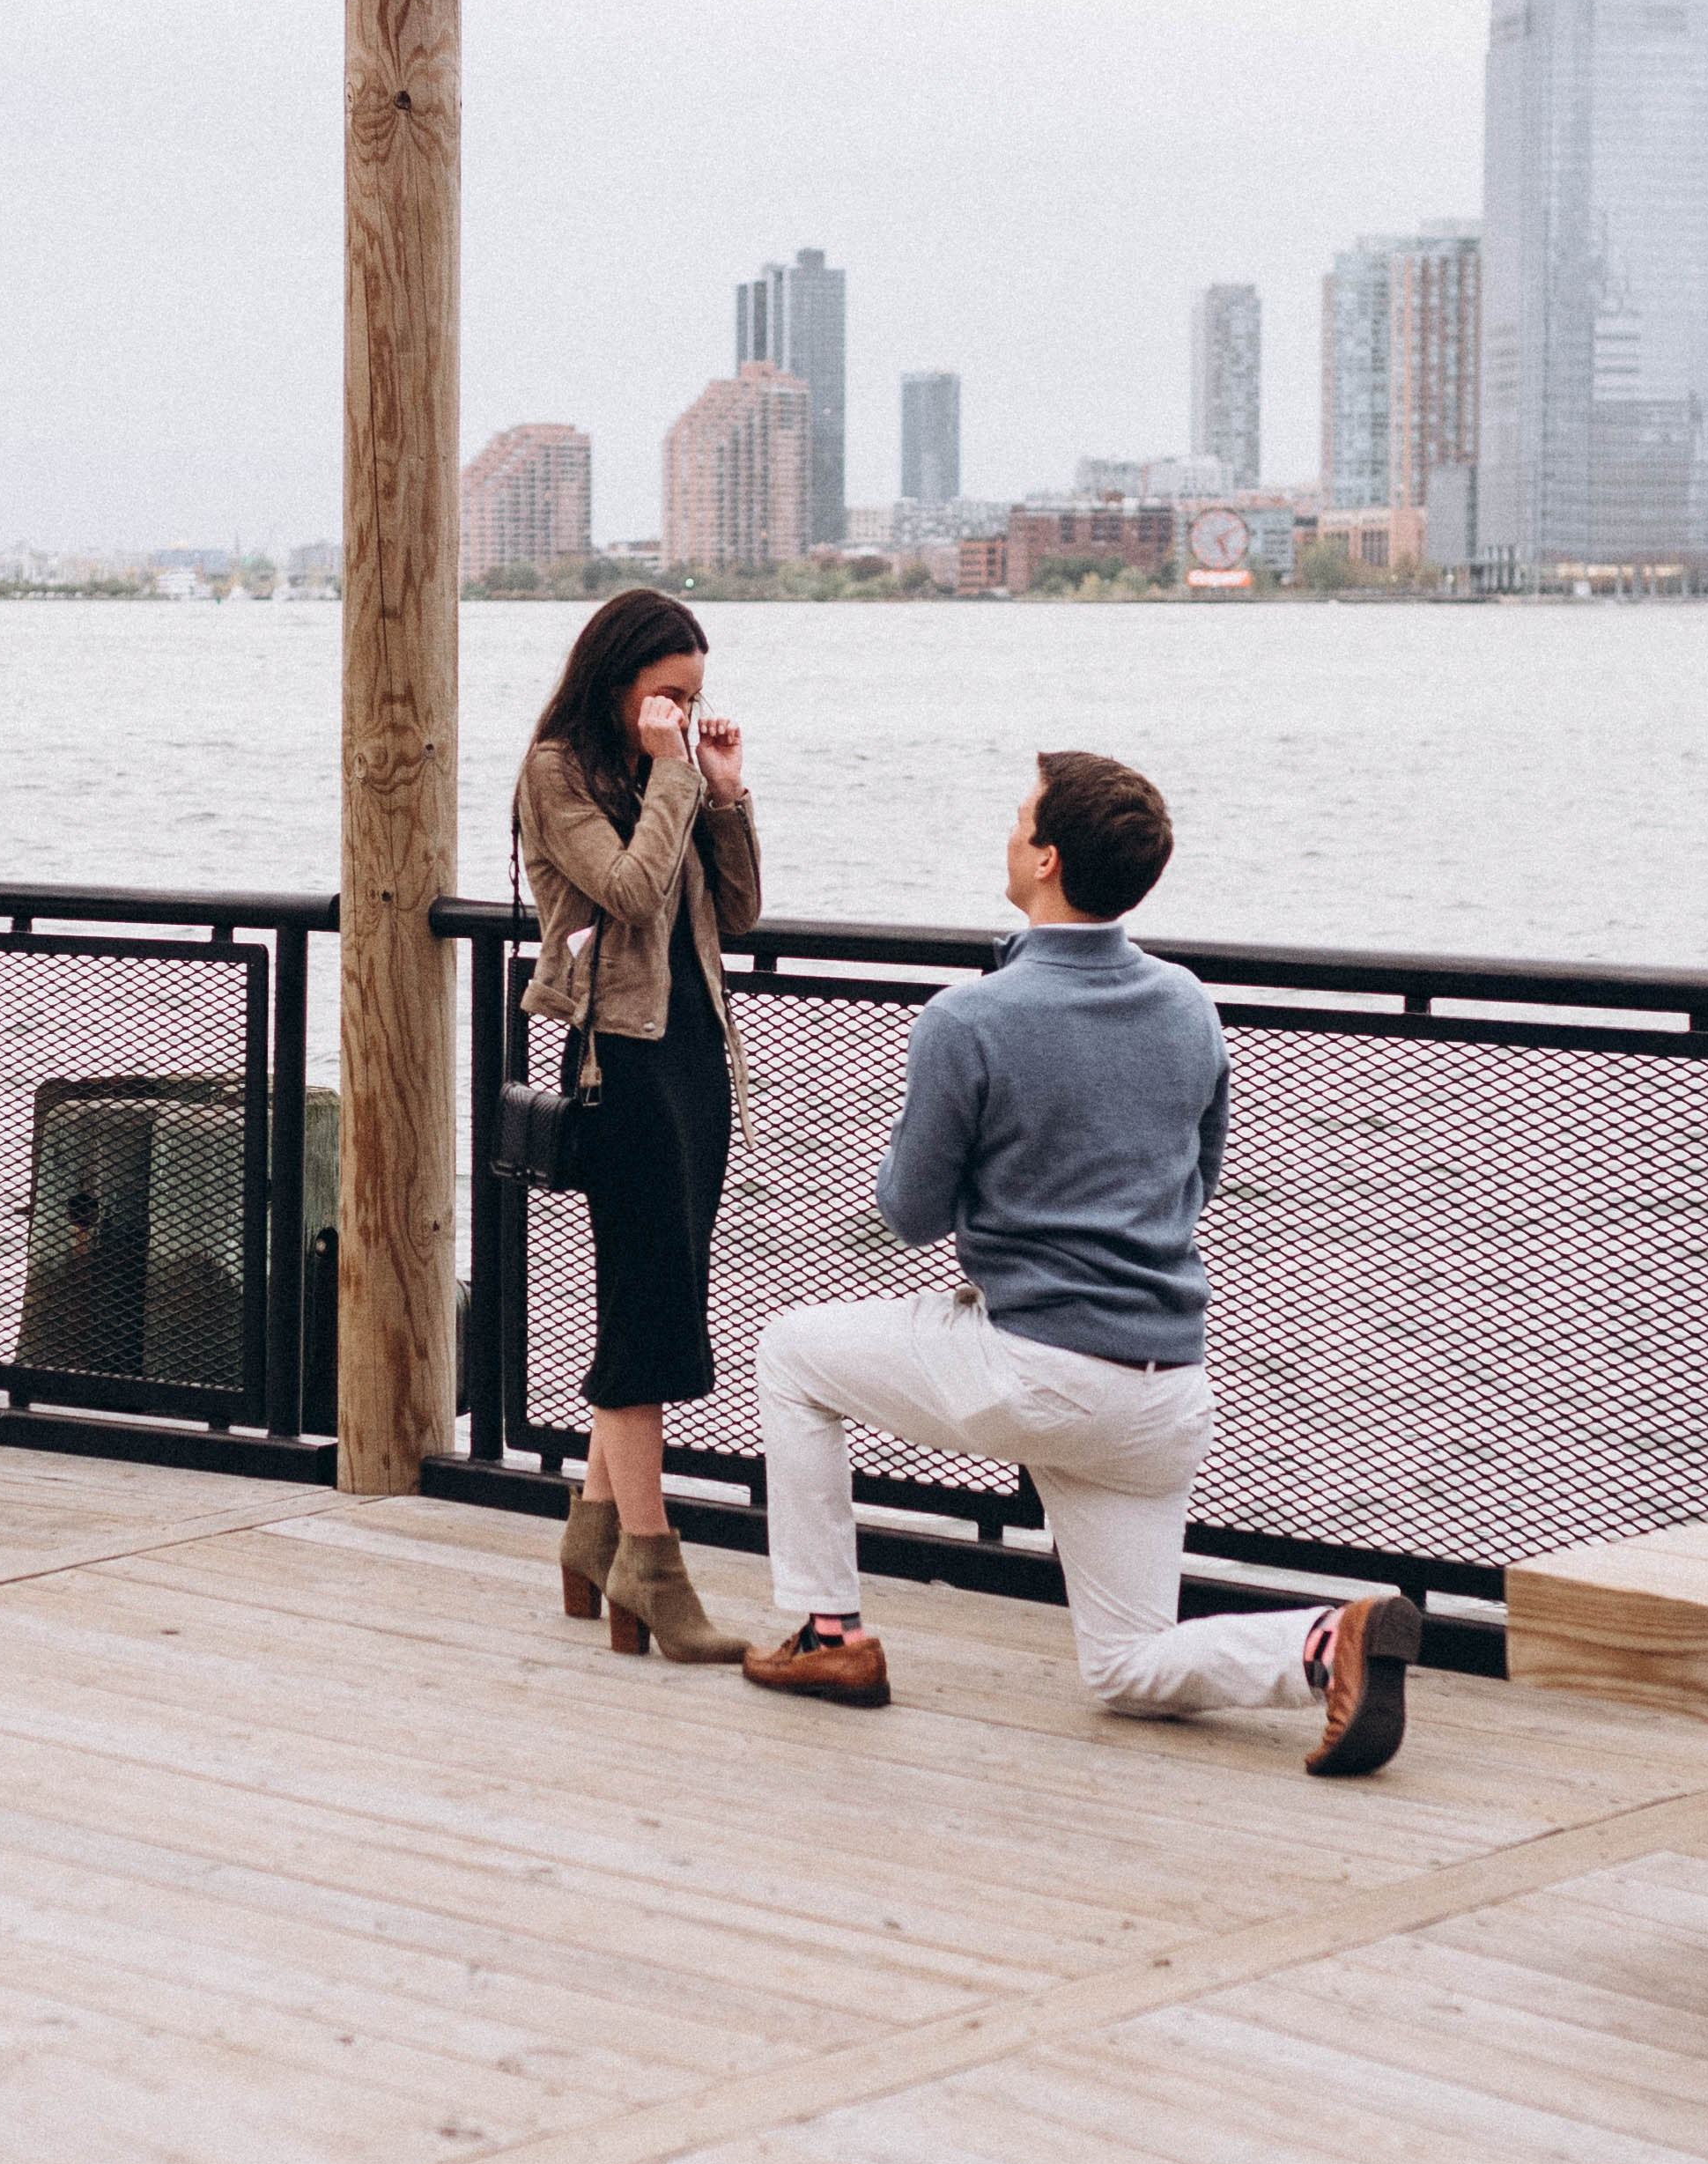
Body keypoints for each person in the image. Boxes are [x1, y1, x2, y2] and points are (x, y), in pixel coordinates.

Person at [742, 750, 1423, 1775]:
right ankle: (1322, 1643)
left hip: (1035, 1370)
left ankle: (828, 1634)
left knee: (791, 1352)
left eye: (1019, 820)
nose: (1007, 833)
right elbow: (1197, 1180)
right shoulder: (1187, 1002)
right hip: (1162, 1391)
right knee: (1124, 1666)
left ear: (1047, 858)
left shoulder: (968, 1018)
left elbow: (909, 1210)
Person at [515, 589, 761, 1664]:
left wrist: (724, 794)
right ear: (616, 679)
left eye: (695, 697)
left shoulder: (664, 773)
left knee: (664, 1288)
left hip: (699, 1057)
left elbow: (740, 910)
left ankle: (593, 1537)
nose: (681, 710)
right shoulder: (556, 770)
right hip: (619, 1061)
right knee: (645, 1310)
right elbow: (626, 886)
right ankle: (651, 1567)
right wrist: (670, 776)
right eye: (667, 693)